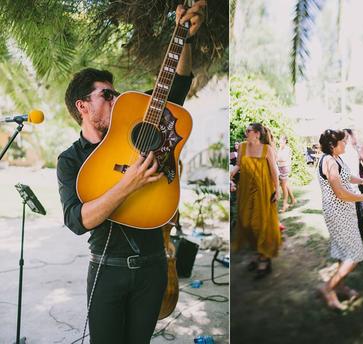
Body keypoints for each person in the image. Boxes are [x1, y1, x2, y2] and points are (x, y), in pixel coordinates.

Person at [56, 2, 206, 343]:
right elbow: (77, 221)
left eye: (116, 92)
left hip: (154, 266)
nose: (117, 99)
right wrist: (128, 185)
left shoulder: (136, 120)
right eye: (107, 95)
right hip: (107, 270)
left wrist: (185, 36)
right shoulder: (70, 159)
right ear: (82, 106)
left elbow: (177, 86)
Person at [317, 129, 363, 310]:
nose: (346, 144)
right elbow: (340, 192)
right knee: (355, 255)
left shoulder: (336, 159)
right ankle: (328, 288)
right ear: (333, 145)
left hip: (344, 212)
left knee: (344, 252)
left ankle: (339, 286)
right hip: (337, 213)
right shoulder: (329, 162)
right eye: (343, 141)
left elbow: (347, 177)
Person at [231, 123, 281, 279]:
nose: (246, 133)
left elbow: (274, 171)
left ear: (258, 133)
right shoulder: (243, 147)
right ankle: (256, 252)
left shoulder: (267, 150)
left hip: (263, 190)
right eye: (246, 130)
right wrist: (229, 176)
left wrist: (277, 190)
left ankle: (264, 258)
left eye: (248, 131)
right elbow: (238, 165)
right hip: (245, 189)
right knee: (246, 223)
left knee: (261, 223)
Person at [342, 129, 363, 239]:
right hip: (348, 190)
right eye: (354, 135)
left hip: (354, 189)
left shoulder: (353, 150)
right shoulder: (344, 152)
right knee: (356, 219)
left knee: (359, 217)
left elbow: (362, 164)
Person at [277, 135, 296, 212]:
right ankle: (293, 200)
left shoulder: (287, 149)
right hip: (280, 168)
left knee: (283, 186)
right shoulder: (280, 148)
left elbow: (283, 159)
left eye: (281, 141)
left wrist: (277, 159)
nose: (280, 142)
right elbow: (278, 158)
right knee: (284, 185)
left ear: (285, 141)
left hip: (285, 168)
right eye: (279, 140)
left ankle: (284, 206)